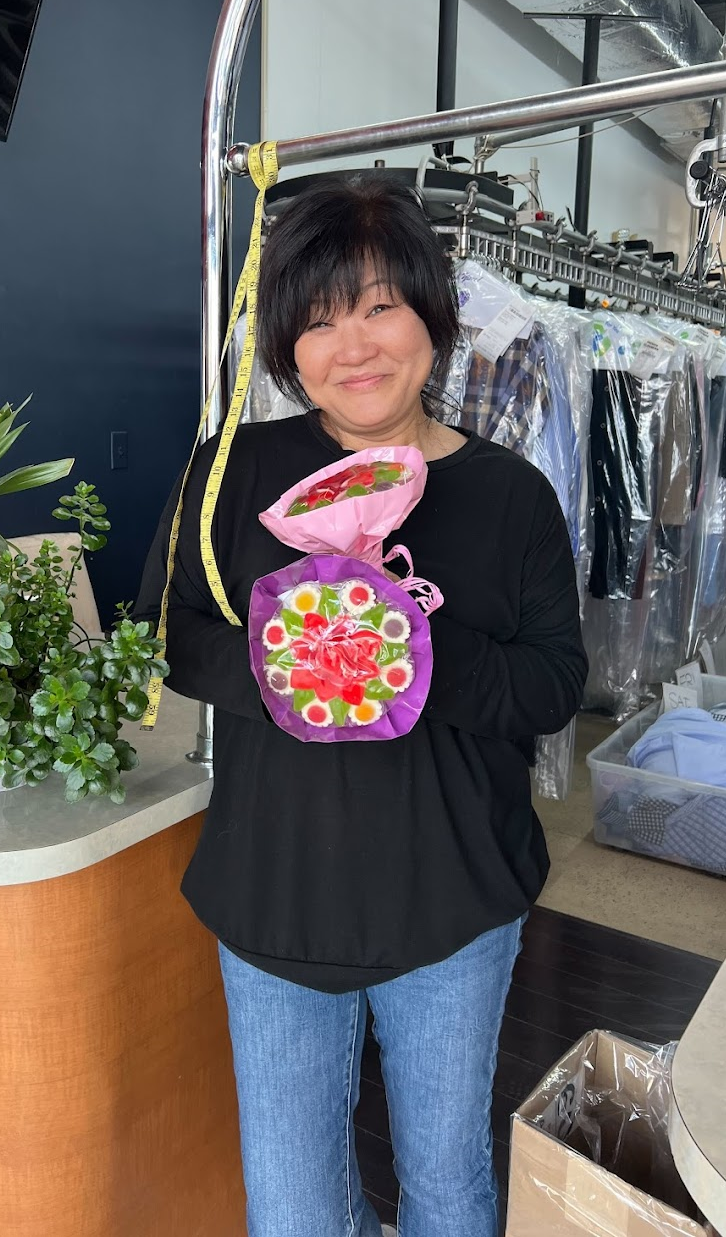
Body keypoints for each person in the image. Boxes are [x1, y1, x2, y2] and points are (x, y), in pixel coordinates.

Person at [137, 175, 587, 1237]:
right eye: (319, 319)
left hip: (452, 906)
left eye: (380, 304)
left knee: (445, 1188)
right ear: (286, 348)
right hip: (274, 901)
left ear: (432, 316)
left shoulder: (510, 493)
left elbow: (550, 684)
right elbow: (181, 639)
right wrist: (300, 660)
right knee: (291, 1210)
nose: (355, 344)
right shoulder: (233, 471)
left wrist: (413, 647)